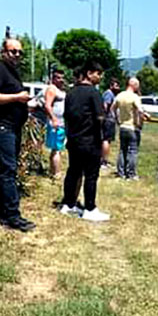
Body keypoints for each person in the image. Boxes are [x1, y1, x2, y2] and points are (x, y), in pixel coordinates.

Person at [0, 37, 35, 232]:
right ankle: (12, 215)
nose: (17, 55)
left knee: (4, 169)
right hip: (1, 128)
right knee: (9, 170)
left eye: (20, 52)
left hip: (12, 127)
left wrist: (25, 104)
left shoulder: (12, 72)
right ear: (3, 52)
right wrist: (17, 97)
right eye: (13, 51)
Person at [59, 62, 110, 222]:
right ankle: (90, 208)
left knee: (73, 172)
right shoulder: (94, 93)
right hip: (90, 141)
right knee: (91, 176)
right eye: (98, 73)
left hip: (73, 139)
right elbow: (101, 117)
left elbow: (66, 115)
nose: (100, 77)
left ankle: (68, 204)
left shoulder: (71, 92)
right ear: (89, 73)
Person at [113, 77, 145, 180]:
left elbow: (112, 108)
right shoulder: (134, 97)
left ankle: (121, 172)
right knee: (133, 151)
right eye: (137, 85)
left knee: (122, 150)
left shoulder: (120, 95)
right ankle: (131, 174)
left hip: (122, 127)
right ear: (133, 85)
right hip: (132, 127)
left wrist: (117, 120)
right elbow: (140, 110)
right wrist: (141, 121)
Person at [43, 69, 67, 178]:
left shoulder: (60, 89)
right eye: (58, 77)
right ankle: (56, 173)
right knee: (56, 149)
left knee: (58, 149)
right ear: (53, 78)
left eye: (62, 77)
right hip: (56, 123)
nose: (61, 80)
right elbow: (47, 105)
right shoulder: (52, 89)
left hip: (62, 123)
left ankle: (53, 171)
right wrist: (54, 119)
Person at [101, 79, 120, 168]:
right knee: (106, 140)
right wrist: (106, 116)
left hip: (110, 119)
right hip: (108, 120)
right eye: (116, 86)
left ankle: (104, 160)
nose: (118, 88)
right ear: (111, 86)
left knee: (108, 140)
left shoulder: (112, 94)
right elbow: (106, 105)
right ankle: (103, 161)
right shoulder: (109, 93)